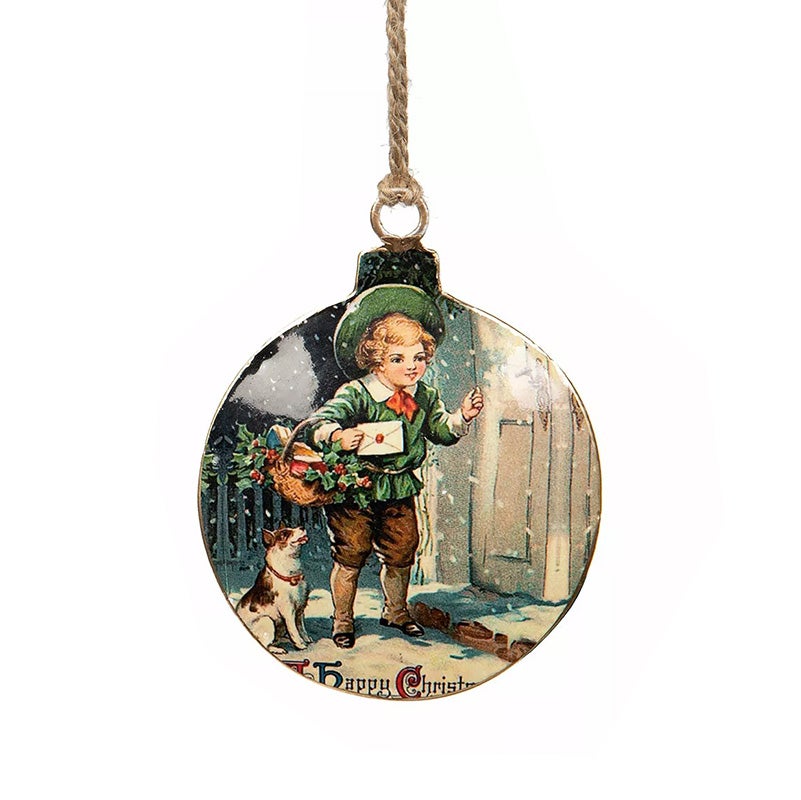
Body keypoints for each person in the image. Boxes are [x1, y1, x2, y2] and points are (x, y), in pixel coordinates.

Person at [310, 290, 483, 649]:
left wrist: (462, 417)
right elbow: (321, 423)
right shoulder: (357, 393)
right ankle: (342, 619)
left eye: (418, 357)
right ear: (376, 361)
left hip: (399, 487)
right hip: (356, 488)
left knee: (403, 548)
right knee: (351, 551)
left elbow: (440, 430)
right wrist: (339, 435)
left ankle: (396, 610)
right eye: (398, 358)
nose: (411, 366)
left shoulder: (424, 396)